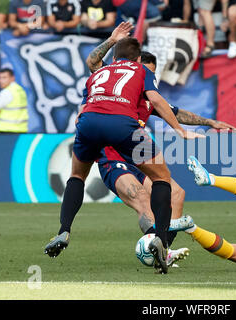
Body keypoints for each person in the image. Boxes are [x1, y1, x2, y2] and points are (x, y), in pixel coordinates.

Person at [44, 30, 204, 273]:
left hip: (88, 121)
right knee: (162, 178)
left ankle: (64, 230)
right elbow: (157, 100)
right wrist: (179, 131)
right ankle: (160, 238)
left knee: (76, 177)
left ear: (115, 56)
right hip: (122, 124)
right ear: (138, 59)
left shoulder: (98, 72)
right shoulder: (141, 72)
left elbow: (87, 102)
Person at [0, 68, 29, 133]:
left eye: (4, 78)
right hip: (21, 130)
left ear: (12, 78)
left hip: (6, 130)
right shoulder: (20, 90)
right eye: (0, 78)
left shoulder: (7, 92)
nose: (1, 80)